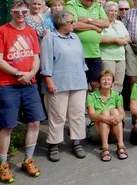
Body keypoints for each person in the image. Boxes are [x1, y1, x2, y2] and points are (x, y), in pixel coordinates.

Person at [0, 0, 47, 183]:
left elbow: (36, 58)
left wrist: (31, 73)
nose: (21, 14)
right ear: (11, 12)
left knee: (34, 122)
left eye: (24, 11)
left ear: (28, 11)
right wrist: (18, 73)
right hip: (8, 84)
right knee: (8, 125)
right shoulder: (2, 31)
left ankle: (27, 160)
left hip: (29, 83)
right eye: (17, 11)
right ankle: (3, 165)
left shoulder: (31, 32)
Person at [40, 11, 88, 162]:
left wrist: (84, 77)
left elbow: (81, 60)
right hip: (57, 82)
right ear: (61, 24)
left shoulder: (76, 38)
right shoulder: (50, 38)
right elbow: (46, 61)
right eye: (71, 22)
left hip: (78, 81)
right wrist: (48, 80)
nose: (74, 24)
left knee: (78, 113)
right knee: (57, 115)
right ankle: (53, 144)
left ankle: (76, 142)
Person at [65, 0, 109, 91]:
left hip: (94, 53)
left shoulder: (98, 6)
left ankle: (93, 107)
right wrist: (94, 27)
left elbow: (106, 23)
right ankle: (81, 107)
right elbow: (73, 24)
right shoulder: (71, 4)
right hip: (77, 53)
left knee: (96, 83)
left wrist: (88, 20)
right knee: (80, 84)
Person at [86, 70, 127, 161]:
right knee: (104, 112)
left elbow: (122, 113)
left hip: (113, 132)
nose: (106, 81)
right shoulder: (91, 96)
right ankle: (105, 147)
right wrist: (105, 118)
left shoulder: (118, 95)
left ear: (112, 83)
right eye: (103, 79)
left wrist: (119, 118)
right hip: (97, 133)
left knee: (115, 111)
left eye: (109, 79)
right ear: (99, 82)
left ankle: (120, 145)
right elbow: (91, 115)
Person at [100, 1, 131, 92]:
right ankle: (106, 103)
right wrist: (115, 40)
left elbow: (127, 36)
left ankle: (116, 102)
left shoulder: (119, 23)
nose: (114, 13)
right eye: (111, 11)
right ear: (105, 11)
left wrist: (124, 41)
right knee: (107, 82)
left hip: (121, 58)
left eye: (115, 11)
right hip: (107, 57)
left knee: (119, 83)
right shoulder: (102, 23)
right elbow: (99, 39)